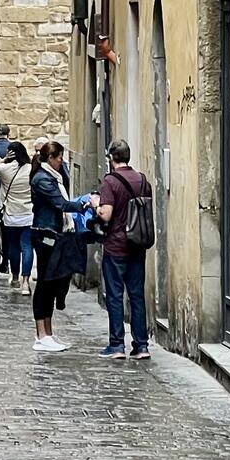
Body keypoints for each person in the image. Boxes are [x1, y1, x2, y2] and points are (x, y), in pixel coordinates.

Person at [28, 140, 96, 352]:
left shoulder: (53, 176)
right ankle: (41, 334)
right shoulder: (43, 179)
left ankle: (48, 332)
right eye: (59, 158)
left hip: (54, 233)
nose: (61, 161)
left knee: (51, 282)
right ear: (50, 158)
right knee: (44, 283)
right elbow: (61, 204)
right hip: (45, 234)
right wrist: (85, 203)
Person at [95, 139, 152, 358]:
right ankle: (141, 345)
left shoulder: (110, 181)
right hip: (137, 244)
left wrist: (95, 205)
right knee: (137, 295)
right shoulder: (142, 180)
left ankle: (117, 345)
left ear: (112, 157)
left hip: (116, 245)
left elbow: (106, 214)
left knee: (115, 296)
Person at [0, 140, 35, 292]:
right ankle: (26, 282)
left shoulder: (4, 170)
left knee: (14, 247)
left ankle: (15, 278)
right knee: (27, 247)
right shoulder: (31, 169)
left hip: (11, 215)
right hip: (28, 213)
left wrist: (3, 159)